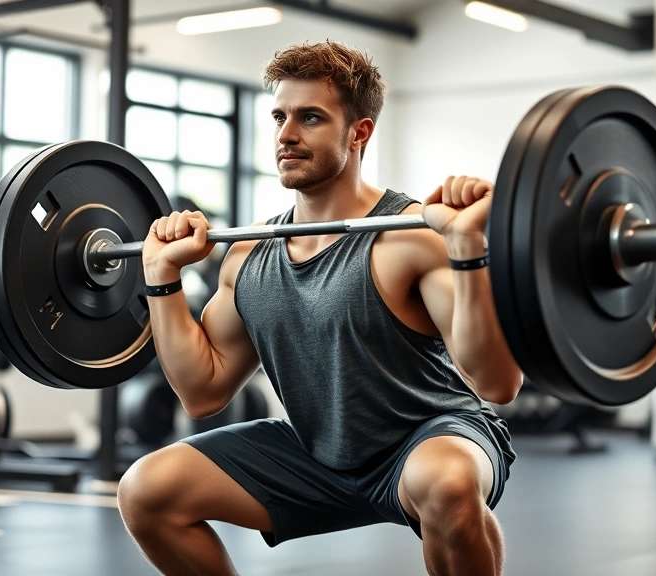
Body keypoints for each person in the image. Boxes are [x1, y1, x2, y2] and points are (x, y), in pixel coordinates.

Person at [118, 40, 522, 576]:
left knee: (446, 486)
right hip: (315, 451)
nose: (286, 135)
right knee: (147, 491)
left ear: (359, 133)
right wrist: (160, 276)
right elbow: (202, 391)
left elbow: (499, 385)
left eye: (310, 117)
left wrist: (469, 247)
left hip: (429, 438)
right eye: (280, 116)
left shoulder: (411, 235)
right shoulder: (250, 252)